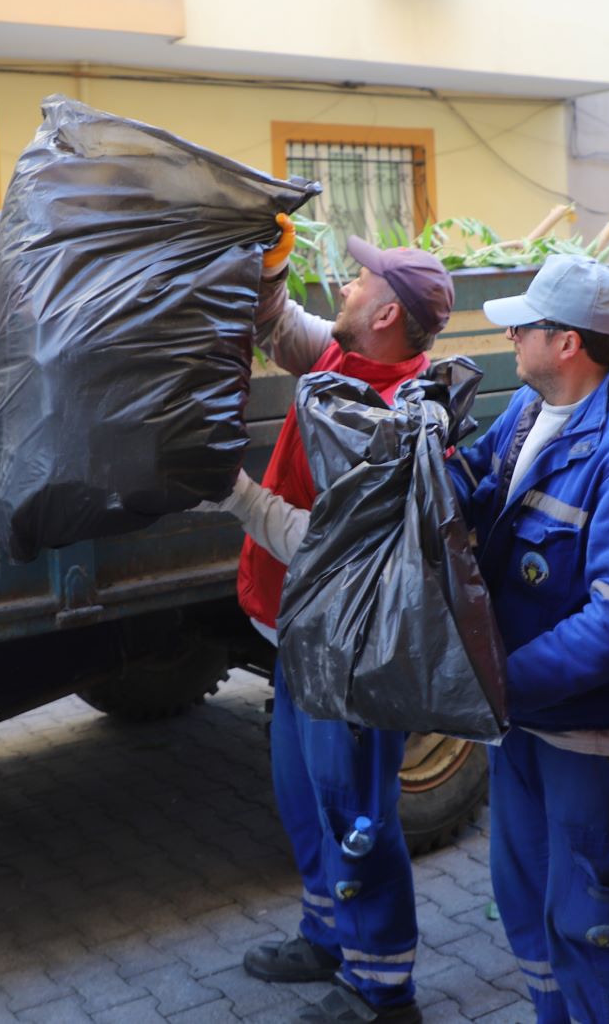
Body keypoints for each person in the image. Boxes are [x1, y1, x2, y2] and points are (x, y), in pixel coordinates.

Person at [210, 215, 455, 1024]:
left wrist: (234, 492)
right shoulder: (350, 354)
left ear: (387, 313)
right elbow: (280, 329)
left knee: (357, 815)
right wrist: (270, 266)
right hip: (298, 637)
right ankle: (327, 933)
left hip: (348, 656)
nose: (346, 285)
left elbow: (324, 545)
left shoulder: (394, 418)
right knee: (303, 793)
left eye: (361, 280)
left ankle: (382, 987)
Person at [445, 254, 609, 1023]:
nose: (510, 332)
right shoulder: (528, 405)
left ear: (568, 342)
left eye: (526, 323)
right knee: (529, 902)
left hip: (584, 734)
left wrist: (496, 683)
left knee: (594, 923)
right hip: (521, 721)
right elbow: (479, 486)